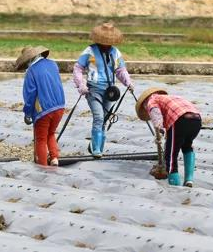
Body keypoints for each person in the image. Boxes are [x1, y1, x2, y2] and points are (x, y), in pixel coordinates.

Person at [72, 22, 134, 158]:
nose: (107, 44)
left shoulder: (115, 52)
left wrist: (128, 82)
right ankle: (96, 151)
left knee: (105, 119)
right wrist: (81, 85)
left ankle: (98, 147)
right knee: (99, 117)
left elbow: (120, 70)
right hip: (93, 89)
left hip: (110, 91)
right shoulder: (89, 51)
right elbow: (78, 68)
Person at [135, 88, 201, 187]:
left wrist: (159, 133)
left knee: (170, 154)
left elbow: (157, 118)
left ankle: (175, 186)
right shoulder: (170, 98)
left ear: (145, 102)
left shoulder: (151, 101)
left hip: (180, 119)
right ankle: (189, 180)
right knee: (187, 147)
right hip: (196, 119)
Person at [16, 46, 66, 166]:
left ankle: (43, 167)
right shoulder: (53, 64)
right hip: (60, 106)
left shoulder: (31, 71)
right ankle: (54, 159)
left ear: (28, 60)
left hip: (44, 109)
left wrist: (27, 113)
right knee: (51, 133)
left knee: (41, 139)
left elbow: (30, 94)